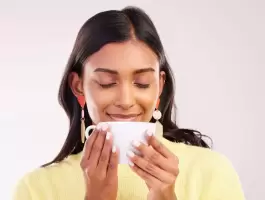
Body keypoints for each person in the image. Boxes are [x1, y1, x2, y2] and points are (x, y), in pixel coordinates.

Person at [12, 6, 245, 200]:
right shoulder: (36, 190)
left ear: (160, 86)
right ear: (78, 86)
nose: (125, 101)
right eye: (106, 83)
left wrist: (165, 196)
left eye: (142, 83)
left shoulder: (212, 172)